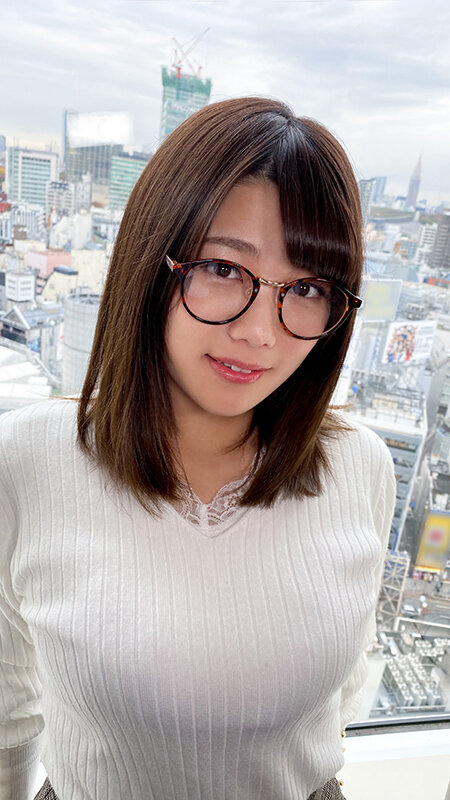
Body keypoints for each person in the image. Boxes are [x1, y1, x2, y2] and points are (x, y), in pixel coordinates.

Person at [0, 97, 395, 800]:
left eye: (307, 287)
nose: (261, 332)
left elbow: (339, 696)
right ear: (151, 262)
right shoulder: (26, 461)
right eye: (223, 269)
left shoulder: (359, 466)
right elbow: (7, 709)